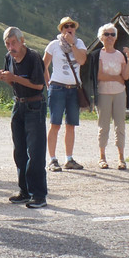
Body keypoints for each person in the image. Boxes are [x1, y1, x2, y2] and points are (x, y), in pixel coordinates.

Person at [0, 27, 49, 208]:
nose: (11, 47)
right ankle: (24, 191)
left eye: (14, 43)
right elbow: (12, 80)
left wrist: (14, 78)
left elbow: (38, 85)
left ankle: (39, 195)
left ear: (22, 41)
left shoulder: (33, 57)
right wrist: (5, 78)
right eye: (8, 44)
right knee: (19, 150)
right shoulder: (8, 57)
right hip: (18, 104)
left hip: (35, 105)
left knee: (36, 152)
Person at [42, 17, 88, 172]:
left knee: (71, 125)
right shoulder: (54, 45)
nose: (69, 28)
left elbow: (81, 60)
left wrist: (72, 43)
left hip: (73, 89)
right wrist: (48, 83)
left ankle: (69, 159)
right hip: (57, 88)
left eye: (72, 26)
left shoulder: (79, 43)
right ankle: (53, 159)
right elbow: (44, 65)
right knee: (55, 124)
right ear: (61, 30)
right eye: (66, 26)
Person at [94, 23, 129, 170]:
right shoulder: (97, 54)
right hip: (104, 93)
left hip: (119, 94)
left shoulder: (120, 55)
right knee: (103, 126)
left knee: (120, 126)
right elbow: (99, 75)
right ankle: (102, 157)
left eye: (112, 34)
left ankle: (121, 158)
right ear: (101, 37)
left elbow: (126, 75)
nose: (110, 37)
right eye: (107, 34)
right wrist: (116, 78)